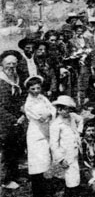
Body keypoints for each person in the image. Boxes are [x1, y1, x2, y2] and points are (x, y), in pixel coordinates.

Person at [23, 75, 56, 197]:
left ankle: (44, 185)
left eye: (38, 88)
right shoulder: (29, 103)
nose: (36, 91)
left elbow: (52, 108)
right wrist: (45, 115)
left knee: (44, 159)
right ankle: (37, 190)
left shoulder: (42, 98)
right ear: (28, 90)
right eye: (33, 89)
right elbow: (38, 117)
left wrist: (50, 113)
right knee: (36, 161)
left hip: (46, 132)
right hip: (35, 133)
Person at [0, 50, 27, 190]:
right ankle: (5, 180)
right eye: (8, 63)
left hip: (17, 120)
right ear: (2, 64)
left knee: (15, 149)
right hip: (4, 121)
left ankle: (14, 175)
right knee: (7, 151)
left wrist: (22, 111)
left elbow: (18, 98)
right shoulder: (1, 81)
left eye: (14, 64)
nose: (11, 66)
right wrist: (15, 119)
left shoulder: (15, 78)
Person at [50, 95, 83, 197]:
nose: (66, 112)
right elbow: (53, 144)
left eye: (67, 109)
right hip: (66, 153)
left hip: (75, 150)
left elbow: (81, 119)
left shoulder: (72, 117)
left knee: (76, 173)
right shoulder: (56, 124)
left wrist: (79, 131)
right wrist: (60, 159)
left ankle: (74, 191)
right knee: (70, 176)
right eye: (63, 109)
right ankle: (70, 193)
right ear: (58, 110)